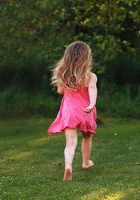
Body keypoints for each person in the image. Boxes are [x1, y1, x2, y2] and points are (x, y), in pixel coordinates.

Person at [47, 41, 98, 181]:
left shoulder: (63, 75)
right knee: (87, 137)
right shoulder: (90, 76)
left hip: (69, 112)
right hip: (85, 110)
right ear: (86, 58)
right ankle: (86, 163)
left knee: (70, 142)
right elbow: (92, 89)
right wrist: (92, 103)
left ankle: (68, 166)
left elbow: (60, 91)